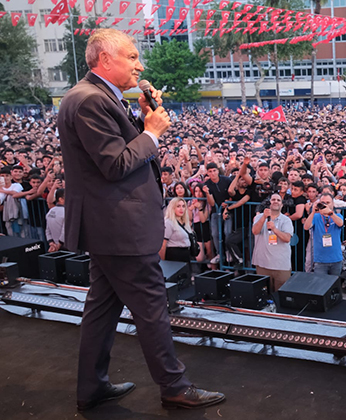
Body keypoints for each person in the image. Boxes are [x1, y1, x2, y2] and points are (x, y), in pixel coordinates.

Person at [57, 29, 223, 410]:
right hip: (118, 228)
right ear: (105, 60)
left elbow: (116, 152)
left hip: (109, 227)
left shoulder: (97, 98)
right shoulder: (89, 101)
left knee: (101, 308)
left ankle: (91, 386)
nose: (139, 64)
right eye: (131, 57)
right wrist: (151, 133)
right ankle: (174, 386)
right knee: (151, 309)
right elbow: (116, 165)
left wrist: (142, 119)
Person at [251, 193, 293, 292]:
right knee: (263, 294)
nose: (275, 202)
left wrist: (274, 229)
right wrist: (263, 218)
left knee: (281, 295)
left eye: (278, 200)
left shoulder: (286, 220)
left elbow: (287, 238)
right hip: (262, 264)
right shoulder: (259, 217)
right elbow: (255, 231)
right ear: (269, 203)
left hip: (281, 266)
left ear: (282, 205)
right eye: (273, 199)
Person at [304, 192, 344, 275]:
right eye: (323, 203)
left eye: (328, 203)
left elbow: (340, 223)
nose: (325, 205)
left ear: (333, 203)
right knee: (321, 286)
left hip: (335, 259)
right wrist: (313, 212)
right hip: (320, 260)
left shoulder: (338, 215)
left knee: (334, 285)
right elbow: (306, 227)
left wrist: (330, 213)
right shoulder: (316, 217)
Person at [159, 198, 193, 278]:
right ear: (172, 208)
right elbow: (163, 245)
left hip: (186, 256)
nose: (181, 209)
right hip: (174, 256)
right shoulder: (168, 222)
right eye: (178, 206)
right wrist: (164, 264)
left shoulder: (185, 222)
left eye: (183, 206)